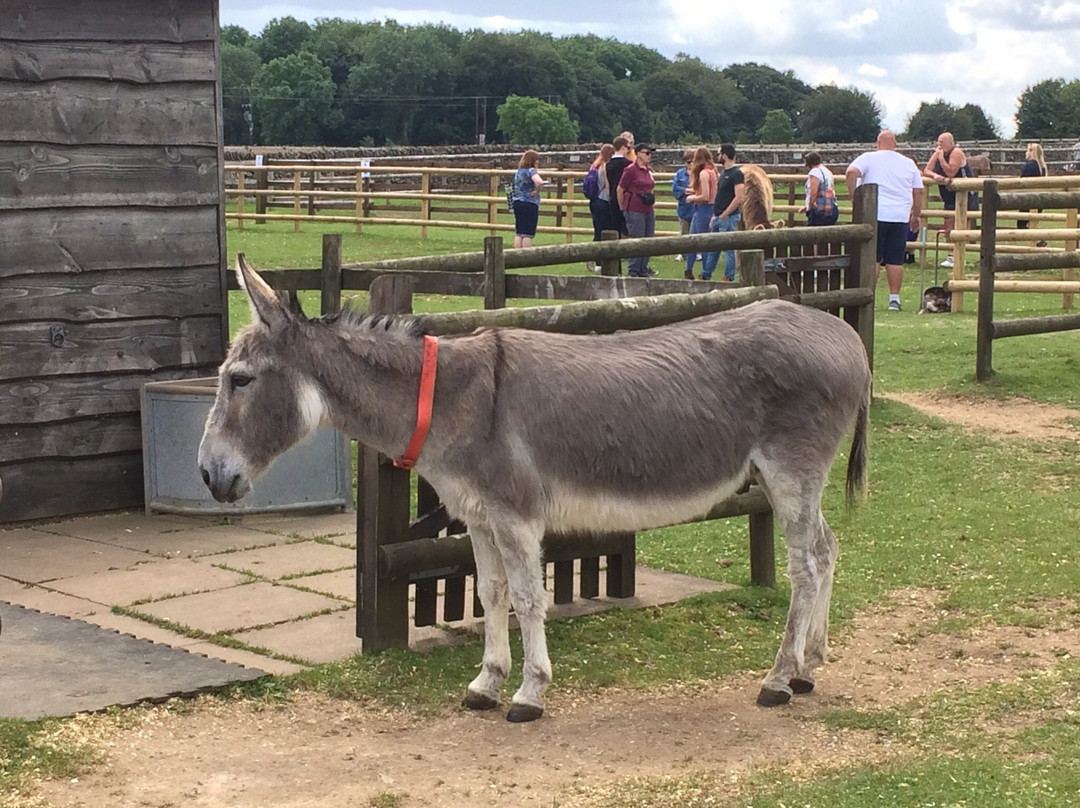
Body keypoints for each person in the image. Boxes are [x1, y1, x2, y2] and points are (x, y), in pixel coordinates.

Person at [846, 130, 924, 312]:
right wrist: (916, 215)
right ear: (895, 144)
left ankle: (869, 297)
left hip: (875, 214)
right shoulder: (908, 163)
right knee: (895, 259)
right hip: (899, 216)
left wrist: (854, 198)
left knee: (873, 257)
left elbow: (851, 172)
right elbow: (918, 190)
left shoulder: (869, 158)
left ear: (877, 143)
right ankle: (894, 299)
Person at [923, 132, 968, 267]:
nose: (939, 144)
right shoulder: (938, 152)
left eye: (942, 142)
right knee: (948, 227)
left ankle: (960, 257)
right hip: (948, 196)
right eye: (938, 141)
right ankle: (950, 256)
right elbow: (926, 170)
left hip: (963, 196)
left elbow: (950, 172)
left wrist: (941, 159)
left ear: (950, 142)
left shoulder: (956, 152)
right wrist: (935, 176)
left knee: (961, 228)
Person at [617, 142, 657, 277]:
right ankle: (633, 270)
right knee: (636, 238)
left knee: (649, 238)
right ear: (638, 154)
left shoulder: (648, 170)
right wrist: (623, 207)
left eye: (650, 153)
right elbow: (620, 189)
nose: (649, 156)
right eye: (647, 153)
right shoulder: (630, 170)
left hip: (648, 208)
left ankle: (643, 269)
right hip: (634, 208)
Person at [710, 143, 744, 282]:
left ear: (724, 155)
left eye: (719, 154)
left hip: (728, 217)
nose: (717, 156)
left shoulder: (737, 174)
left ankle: (728, 276)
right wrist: (715, 215)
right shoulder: (724, 173)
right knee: (713, 247)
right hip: (719, 215)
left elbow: (739, 197)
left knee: (729, 249)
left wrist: (725, 213)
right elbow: (720, 196)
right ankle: (707, 273)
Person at [684, 146, 718, 280]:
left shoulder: (704, 173)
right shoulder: (713, 171)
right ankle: (690, 269)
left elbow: (705, 196)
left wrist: (692, 198)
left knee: (701, 242)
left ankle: (704, 272)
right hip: (709, 208)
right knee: (694, 240)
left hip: (703, 209)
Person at [586, 143, 615, 270]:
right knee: (604, 232)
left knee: (598, 230)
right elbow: (607, 186)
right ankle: (598, 261)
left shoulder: (594, 165)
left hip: (594, 201)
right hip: (603, 201)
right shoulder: (605, 167)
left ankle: (595, 259)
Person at [511, 149, 544, 249]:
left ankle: (516, 255)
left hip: (517, 202)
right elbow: (539, 182)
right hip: (529, 203)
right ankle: (526, 256)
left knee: (519, 231)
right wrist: (537, 191)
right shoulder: (531, 171)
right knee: (528, 233)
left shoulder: (519, 171)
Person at [799, 151, 838, 226]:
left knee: (813, 234)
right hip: (831, 209)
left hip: (819, 210)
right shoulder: (828, 171)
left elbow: (813, 192)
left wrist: (809, 208)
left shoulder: (815, 172)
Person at [1017, 142, 1047, 235]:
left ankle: (1038, 238)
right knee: (1031, 223)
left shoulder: (1029, 166)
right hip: (1040, 199)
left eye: (1027, 150)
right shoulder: (1042, 167)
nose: (1026, 153)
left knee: (1022, 224)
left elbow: (1022, 181)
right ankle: (1038, 239)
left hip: (1028, 198)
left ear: (1031, 151)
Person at [605, 136, 633, 237]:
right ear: (623, 147)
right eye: (628, 148)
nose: (628, 151)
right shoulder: (628, 165)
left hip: (612, 198)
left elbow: (607, 184)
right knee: (626, 229)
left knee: (615, 227)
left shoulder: (607, 164)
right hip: (625, 199)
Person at [672, 149, 695, 261]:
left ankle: (696, 253)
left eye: (692, 161)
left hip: (696, 207)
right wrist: (686, 190)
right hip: (684, 207)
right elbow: (675, 188)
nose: (690, 164)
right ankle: (682, 253)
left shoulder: (700, 173)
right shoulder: (680, 174)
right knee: (683, 231)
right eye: (688, 162)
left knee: (696, 231)